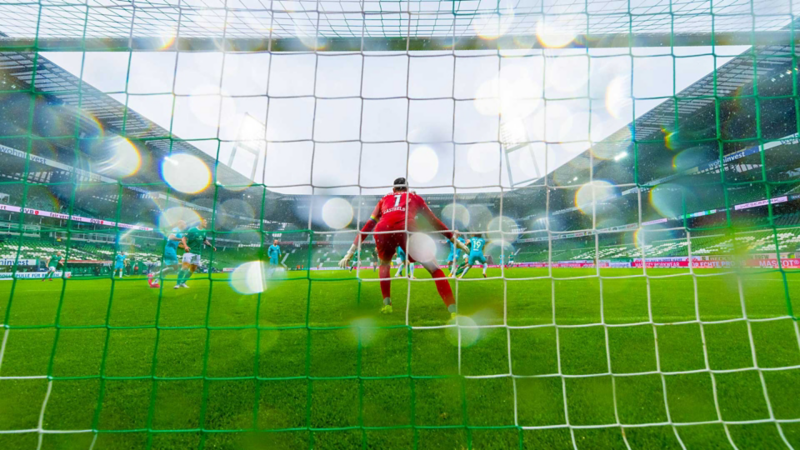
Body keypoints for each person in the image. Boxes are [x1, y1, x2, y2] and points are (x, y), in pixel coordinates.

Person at [338, 177, 469, 318]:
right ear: (406, 188)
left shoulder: (383, 199)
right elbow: (433, 221)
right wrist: (453, 240)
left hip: (383, 230)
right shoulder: (414, 197)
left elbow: (368, 226)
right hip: (407, 228)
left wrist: (349, 252)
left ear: (393, 189)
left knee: (384, 264)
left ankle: (387, 305)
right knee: (434, 268)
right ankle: (453, 310)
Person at [176, 218, 216, 289]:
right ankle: (178, 283)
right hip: (190, 252)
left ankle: (183, 282)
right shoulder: (192, 230)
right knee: (185, 267)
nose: (206, 224)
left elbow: (205, 240)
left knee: (193, 269)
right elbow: (184, 238)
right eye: (205, 222)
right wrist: (185, 246)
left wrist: (211, 246)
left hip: (198, 253)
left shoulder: (204, 231)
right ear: (200, 222)